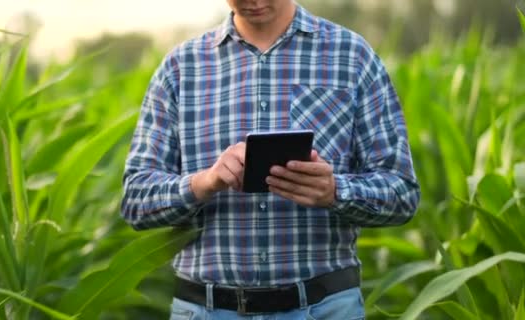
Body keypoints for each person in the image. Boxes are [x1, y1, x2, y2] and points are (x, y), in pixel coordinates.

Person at [121, 0, 420, 319]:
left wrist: (335, 192)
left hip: (325, 308)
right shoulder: (180, 68)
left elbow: (401, 192)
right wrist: (204, 182)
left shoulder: (352, 57)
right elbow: (135, 201)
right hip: (206, 310)